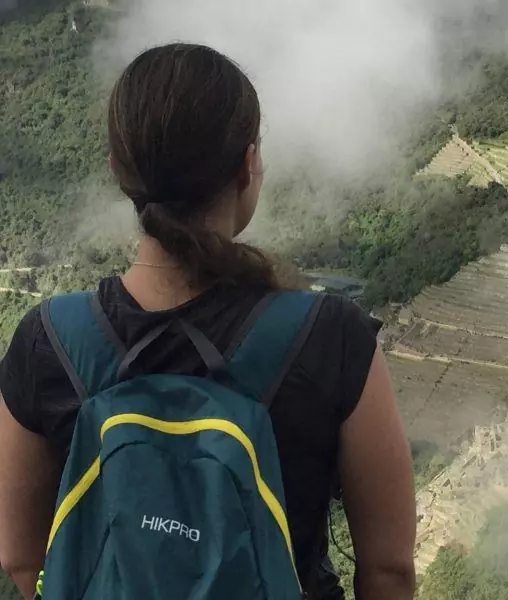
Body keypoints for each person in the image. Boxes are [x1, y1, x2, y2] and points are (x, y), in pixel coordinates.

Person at [0, 43, 416, 600]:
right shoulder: (331, 336)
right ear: (247, 165)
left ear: (118, 171)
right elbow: (389, 570)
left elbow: (21, 559)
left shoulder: (47, 340)